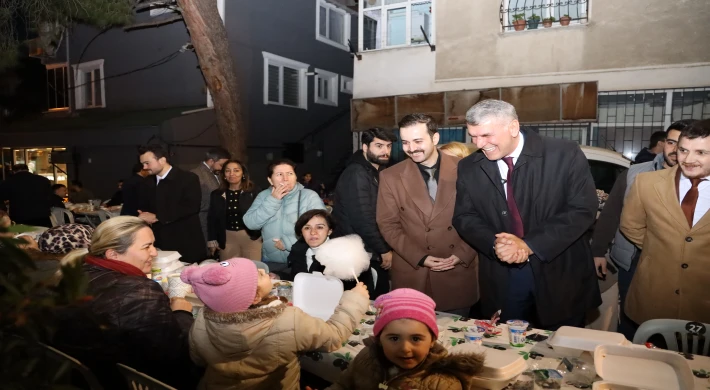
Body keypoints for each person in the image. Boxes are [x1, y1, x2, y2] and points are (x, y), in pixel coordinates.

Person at [453, 100, 600, 330]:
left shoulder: (563, 154)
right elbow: (464, 217)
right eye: (473, 136)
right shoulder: (469, 167)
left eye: (486, 135)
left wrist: (529, 245)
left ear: (513, 127)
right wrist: (497, 244)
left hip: (559, 273)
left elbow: (582, 209)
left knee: (560, 350)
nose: (479, 144)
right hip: (503, 276)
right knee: (506, 348)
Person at [51, 216, 198, 390]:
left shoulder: (74, 274)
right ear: (113, 254)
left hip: (86, 377)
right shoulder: (139, 291)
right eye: (146, 247)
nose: (155, 253)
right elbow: (175, 356)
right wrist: (181, 313)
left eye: (153, 244)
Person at [182, 258, 370, 390]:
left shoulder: (202, 319)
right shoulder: (288, 319)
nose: (263, 270)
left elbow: (197, 358)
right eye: (258, 275)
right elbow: (333, 337)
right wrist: (354, 300)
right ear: (254, 296)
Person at [590, 119, 695, 337]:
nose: (675, 150)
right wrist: (598, 251)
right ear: (664, 143)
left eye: (683, 145)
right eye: (671, 142)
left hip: (683, 265)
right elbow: (612, 213)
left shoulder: (697, 181)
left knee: (675, 321)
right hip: (633, 258)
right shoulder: (635, 174)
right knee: (632, 316)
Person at [377, 114, 479, 315]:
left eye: (418, 141)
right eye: (405, 142)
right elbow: (388, 224)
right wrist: (420, 257)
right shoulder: (390, 176)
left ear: (435, 138)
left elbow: (482, 217)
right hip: (413, 273)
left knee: (455, 344)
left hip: (457, 272)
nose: (411, 148)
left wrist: (461, 254)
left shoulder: (467, 168)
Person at [620, 119, 710, 326]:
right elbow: (630, 224)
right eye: (683, 150)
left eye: (701, 153)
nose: (688, 159)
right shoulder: (646, 183)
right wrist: (661, 248)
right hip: (653, 298)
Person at [326, 288, 484, 390]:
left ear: (432, 341)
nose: (405, 348)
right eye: (394, 338)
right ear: (379, 340)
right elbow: (343, 385)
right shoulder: (366, 358)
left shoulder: (443, 383)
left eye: (416, 338)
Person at [332, 127, 397, 298]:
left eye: (388, 146)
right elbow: (363, 218)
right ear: (365, 147)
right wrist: (383, 250)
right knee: (367, 306)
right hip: (359, 252)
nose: (385, 151)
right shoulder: (357, 173)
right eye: (379, 146)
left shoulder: (376, 171)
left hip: (368, 249)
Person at [243, 159, 325, 277]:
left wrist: (289, 242)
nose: (285, 178)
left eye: (290, 174)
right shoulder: (264, 196)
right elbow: (250, 223)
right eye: (279, 174)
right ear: (270, 180)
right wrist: (273, 200)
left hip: (302, 259)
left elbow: (321, 228)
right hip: (271, 260)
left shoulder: (309, 196)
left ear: (296, 177)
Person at [137, 144, 206, 263]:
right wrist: (144, 215)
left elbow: (192, 207)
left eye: (147, 163)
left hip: (185, 240)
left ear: (162, 160)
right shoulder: (148, 182)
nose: (144, 167)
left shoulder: (188, 178)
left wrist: (157, 216)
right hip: (159, 242)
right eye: (142, 164)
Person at [289, 209, 375, 290]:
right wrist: (278, 276)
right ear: (301, 232)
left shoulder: (347, 252)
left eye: (319, 227)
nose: (313, 232)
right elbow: (295, 280)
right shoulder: (298, 250)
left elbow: (364, 291)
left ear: (329, 231)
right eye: (307, 228)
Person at [207, 160, 262, 260]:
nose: (232, 174)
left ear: (243, 173)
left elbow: (262, 214)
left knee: (253, 270)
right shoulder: (217, 194)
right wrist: (212, 240)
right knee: (229, 271)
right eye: (228, 171)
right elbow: (212, 218)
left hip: (251, 237)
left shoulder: (254, 192)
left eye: (236, 170)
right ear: (224, 175)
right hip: (227, 238)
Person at [192, 147, 231, 243]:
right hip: (203, 220)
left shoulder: (219, 173)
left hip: (220, 220)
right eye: (221, 165)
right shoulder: (195, 175)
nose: (223, 168)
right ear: (211, 161)